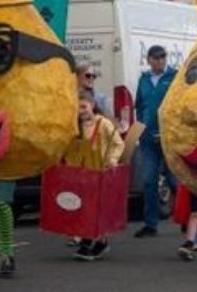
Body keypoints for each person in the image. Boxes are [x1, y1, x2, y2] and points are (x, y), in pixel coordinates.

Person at [65, 90, 125, 261]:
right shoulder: (76, 127)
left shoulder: (103, 123)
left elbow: (117, 143)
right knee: (84, 207)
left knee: (98, 208)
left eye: (84, 107)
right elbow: (71, 149)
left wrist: (112, 160)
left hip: (100, 171)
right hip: (83, 173)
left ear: (92, 105)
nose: (81, 111)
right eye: (78, 108)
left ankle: (100, 242)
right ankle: (87, 239)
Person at [134, 45, 178, 238]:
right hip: (148, 139)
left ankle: (189, 221)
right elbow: (139, 104)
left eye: (162, 57)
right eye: (156, 57)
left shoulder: (174, 77)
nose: (160, 60)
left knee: (175, 181)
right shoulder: (143, 79)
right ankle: (150, 224)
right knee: (149, 181)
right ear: (149, 59)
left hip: (169, 138)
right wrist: (140, 126)